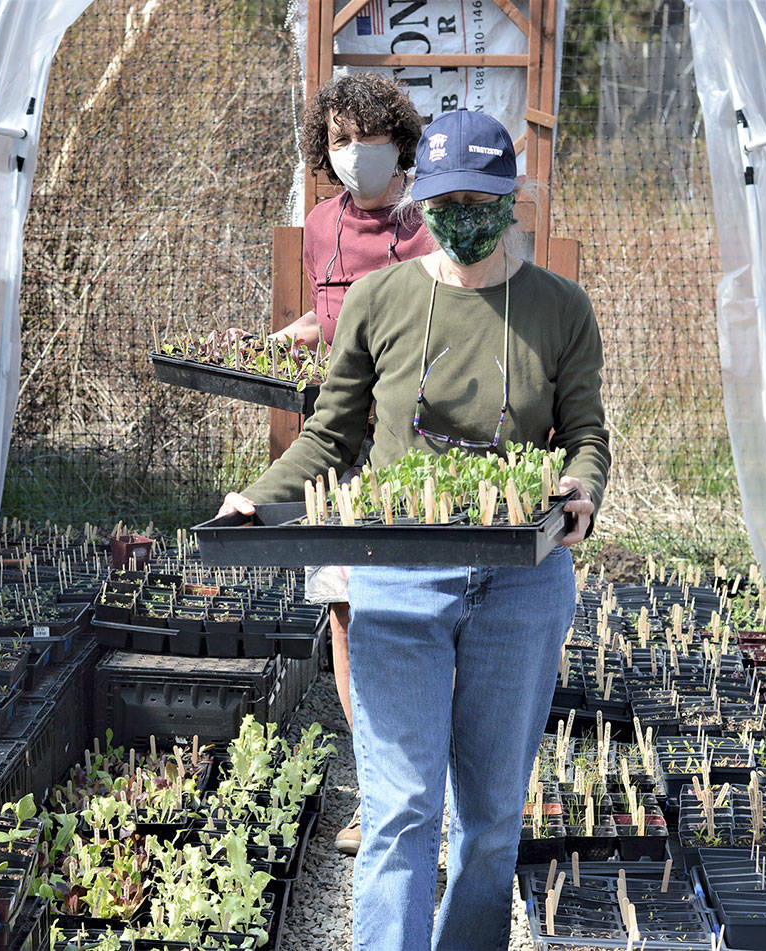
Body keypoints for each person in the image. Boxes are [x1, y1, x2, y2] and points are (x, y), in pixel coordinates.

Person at [218, 108, 610, 950]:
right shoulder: (379, 299)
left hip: (521, 583)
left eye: (480, 197)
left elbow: (586, 436)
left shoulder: (558, 308)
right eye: (444, 198)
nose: (461, 214)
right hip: (399, 577)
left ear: (512, 200)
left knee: (493, 817)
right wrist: (258, 496)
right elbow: (331, 436)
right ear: (419, 199)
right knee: (400, 808)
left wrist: (580, 488)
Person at [271, 74, 433, 857]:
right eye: (337, 138)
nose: (351, 153)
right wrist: (286, 339)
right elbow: (333, 316)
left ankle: (429, 794)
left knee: (411, 619)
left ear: (399, 142)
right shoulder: (320, 222)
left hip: (417, 454)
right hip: (340, 450)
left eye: (366, 138)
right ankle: (379, 794)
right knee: (343, 617)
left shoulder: (428, 224)